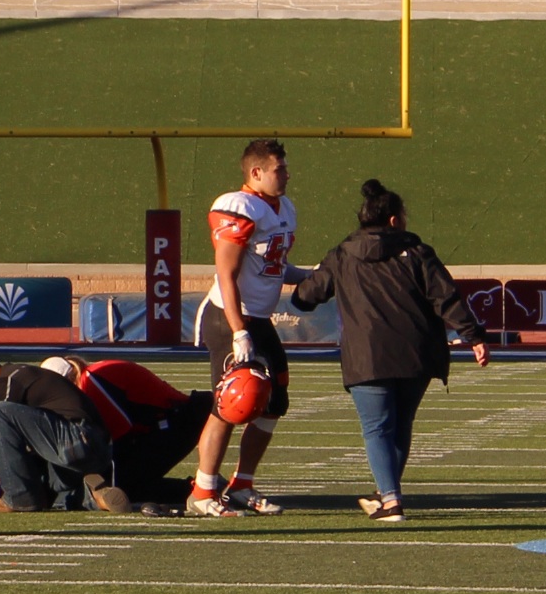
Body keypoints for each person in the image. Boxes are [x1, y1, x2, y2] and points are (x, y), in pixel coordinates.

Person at [289, 178, 490, 521]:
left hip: (367, 355)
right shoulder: (418, 253)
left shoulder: (342, 255)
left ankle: (391, 500)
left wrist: (296, 279)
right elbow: (446, 297)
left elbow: (305, 298)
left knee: (377, 427)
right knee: (400, 424)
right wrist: (474, 336)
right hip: (418, 354)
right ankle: (387, 492)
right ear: (394, 219)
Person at [189, 138, 308, 517]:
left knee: (274, 402)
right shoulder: (237, 207)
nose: (286, 174)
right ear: (256, 173)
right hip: (229, 316)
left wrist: (312, 276)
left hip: (260, 319)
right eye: (279, 169)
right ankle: (203, 492)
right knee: (232, 402)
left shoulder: (283, 207)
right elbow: (226, 272)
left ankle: (241, 485)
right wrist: (238, 329)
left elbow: (274, 265)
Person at [0, 358, 130, 513]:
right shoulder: (25, 374)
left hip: (78, 438)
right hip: (96, 449)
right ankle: (94, 497)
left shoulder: (8, 379)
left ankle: (17, 499)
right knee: (44, 486)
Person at [50, 356, 215, 511]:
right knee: (127, 483)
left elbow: (121, 432)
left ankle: (204, 489)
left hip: (176, 421)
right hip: (168, 422)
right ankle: (202, 488)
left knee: (125, 487)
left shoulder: (91, 381)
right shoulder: (91, 377)